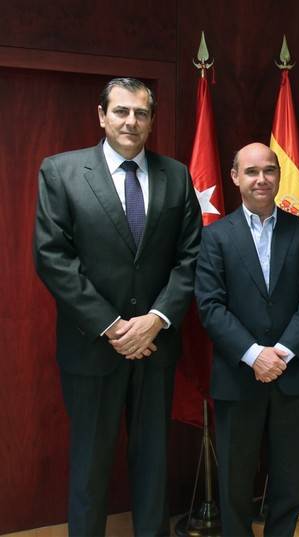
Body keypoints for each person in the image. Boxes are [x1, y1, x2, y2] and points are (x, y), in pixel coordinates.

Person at [33, 77, 202, 536]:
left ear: (151, 121)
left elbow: (190, 258)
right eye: (122, 111)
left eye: (141, 113)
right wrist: (112, 326)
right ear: (102, 116)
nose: (131, 121)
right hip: (91, 349)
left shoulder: (178, 175)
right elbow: (53, 259)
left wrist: (156, 319)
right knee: (89, 465)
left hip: (156, 348)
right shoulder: (60, 172)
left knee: (153, 462)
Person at [194, 143, 299, 537]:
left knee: (288, 480)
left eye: (269, 170)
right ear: (235, 177)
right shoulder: (215, 236)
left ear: (278, 175)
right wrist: (254, 356)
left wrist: (281, 353)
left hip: (290, 375)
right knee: (235, 481)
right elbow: (210, 306)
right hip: (237, 377)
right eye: (251, 172)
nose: (261, 179)